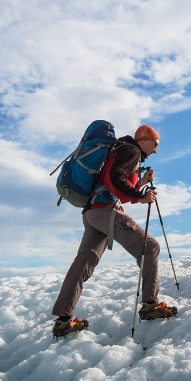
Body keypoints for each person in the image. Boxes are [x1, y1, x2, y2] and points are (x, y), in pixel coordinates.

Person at [51, 124, 177, 337]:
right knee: (151, 247)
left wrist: (141, 183)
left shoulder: (120, 150)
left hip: (93, 213)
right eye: (154, 144)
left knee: (82, 264)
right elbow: (113, 180)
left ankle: (63, 320)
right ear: (143, 140)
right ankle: (150, 305)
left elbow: (114, 181)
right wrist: (139, 197)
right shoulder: (131, 151)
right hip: (106, 211)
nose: (156, 150)